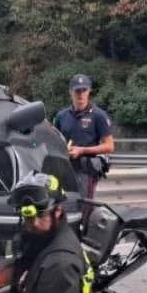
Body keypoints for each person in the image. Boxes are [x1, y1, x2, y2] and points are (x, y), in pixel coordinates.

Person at [53, 74, 114, 202]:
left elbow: (109, 146)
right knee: (63, 205)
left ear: (89, 91)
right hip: (64, 169)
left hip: (86, 171)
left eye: (84, 90)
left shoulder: (99, 115)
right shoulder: (61, 116)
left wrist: (82, 151)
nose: (81, 94)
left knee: (84, 207)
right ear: (70, 92)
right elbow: (55, 141)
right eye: (77, 90)